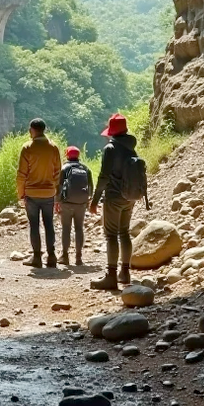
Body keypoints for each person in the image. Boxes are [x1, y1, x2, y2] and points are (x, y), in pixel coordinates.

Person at [89, 112, 146, 291]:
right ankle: (125, 272)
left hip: (113, 197)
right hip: (130, 197)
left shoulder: (111, 149)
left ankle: (111, 277)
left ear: (112, 132)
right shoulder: (131, 148)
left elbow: (104, 176)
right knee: (124, 233)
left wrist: (95, 200)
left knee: (111, 235)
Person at [16, 118, 62, 269]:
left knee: (34, 225)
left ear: (32, 130)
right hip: (49, 193)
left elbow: (21, 174)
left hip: (31, 193)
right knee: (49, 224)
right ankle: (52, 256)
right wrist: (55, 191)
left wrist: (21, 195)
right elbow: (57, 172)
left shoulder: (27, 148)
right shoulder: (53, 147)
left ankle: (36, 257)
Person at [57, 146, 92, 266]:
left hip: (66, 203)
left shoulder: (64, 168)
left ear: (67, 155)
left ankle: (65, 256)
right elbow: (90, 187)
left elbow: (59, 186)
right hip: (81, 204)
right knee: (79, 228)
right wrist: (88, 201)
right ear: (78, 156)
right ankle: (78, 258)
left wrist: (57, 202)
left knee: (66, 228)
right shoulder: (86, 169)